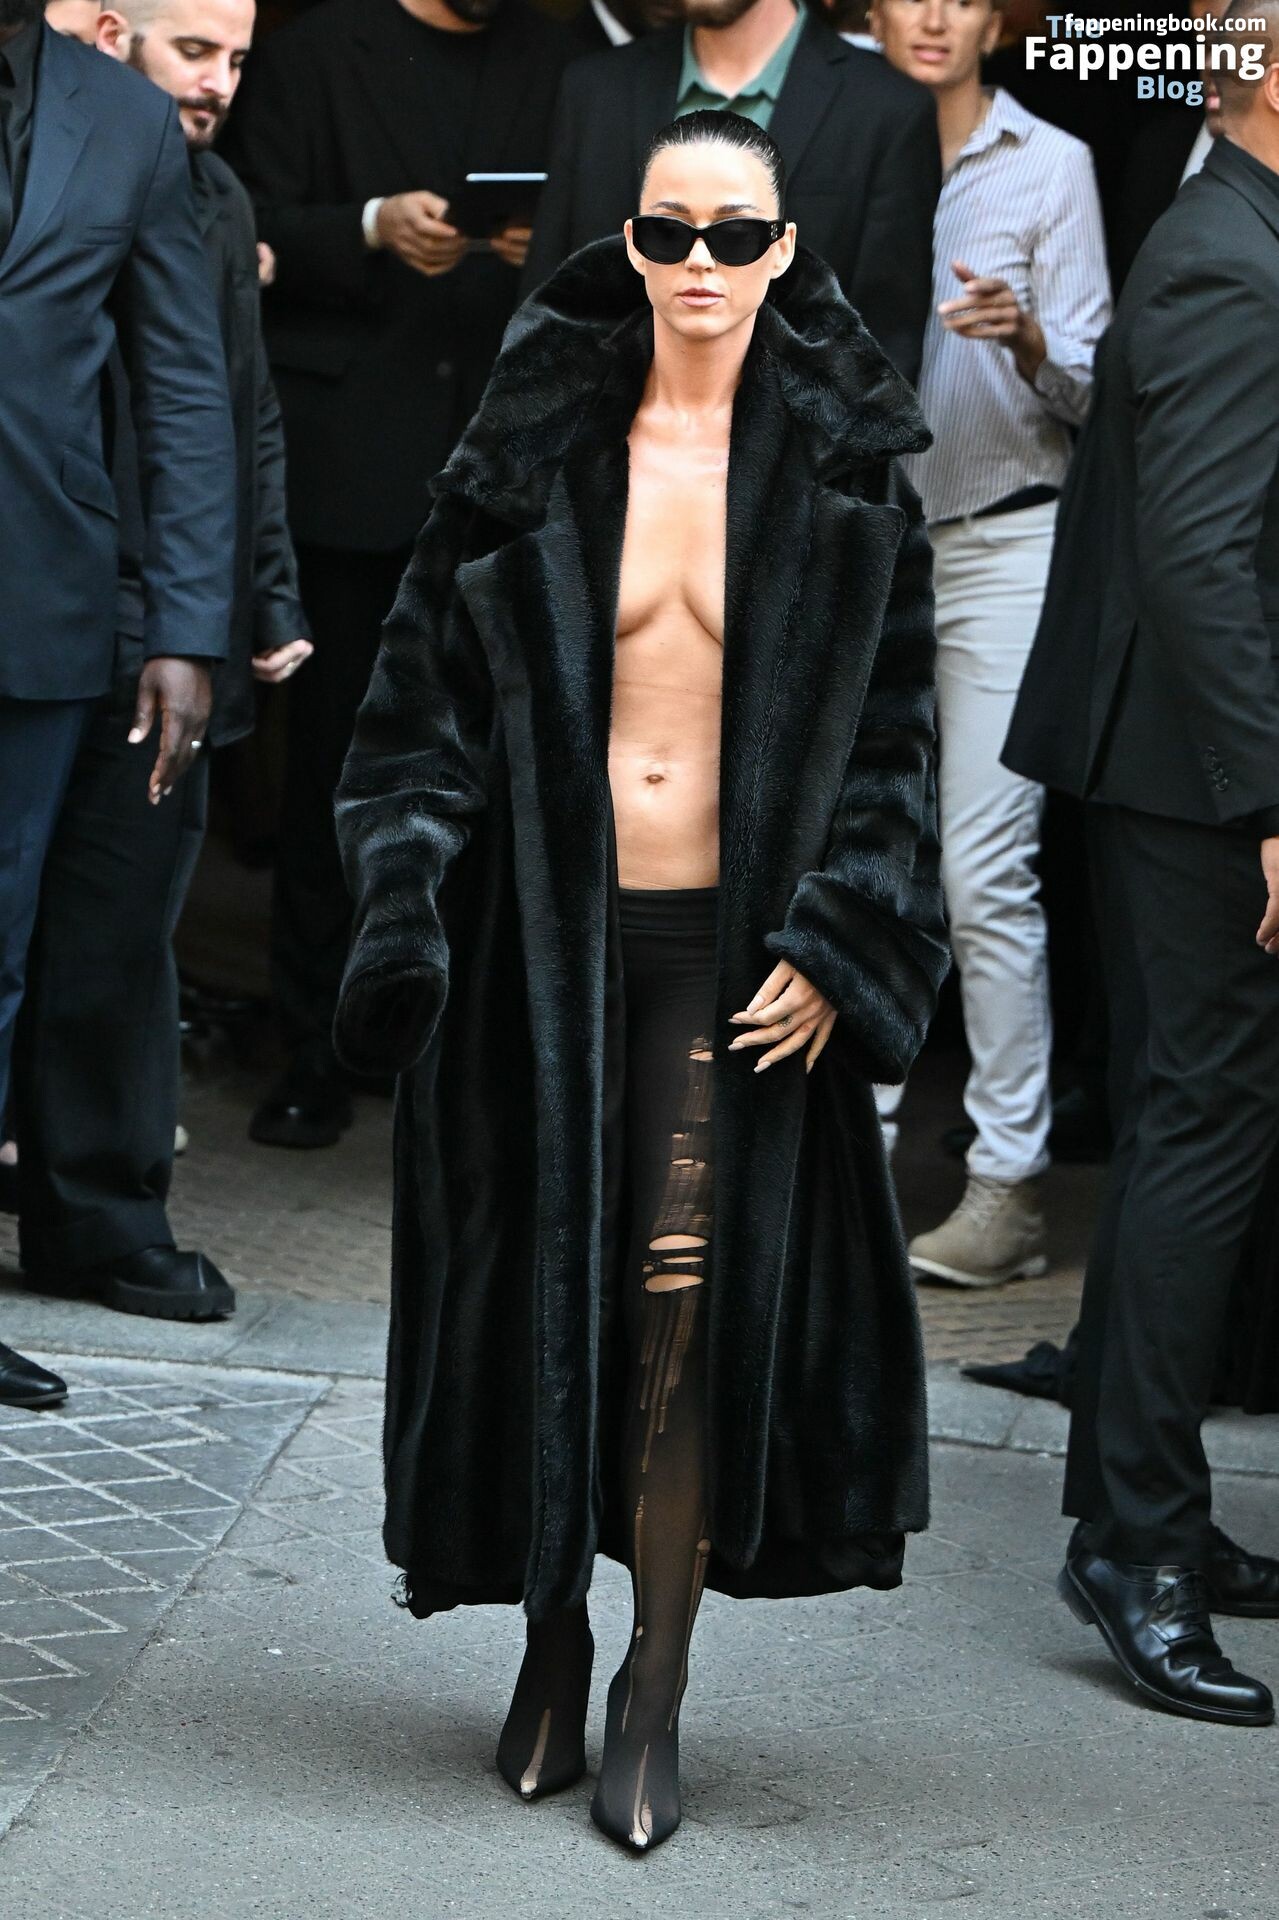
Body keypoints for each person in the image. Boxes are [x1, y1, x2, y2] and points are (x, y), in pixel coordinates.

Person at [334, 109, 948, 1850]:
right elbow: (414, 719)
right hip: (539, 949)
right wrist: (406, 911)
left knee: (677, 1310)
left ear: (782, 251)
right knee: (547, 1300)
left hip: (725, 966)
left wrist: (841, 935)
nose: (697, 265)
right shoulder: (530, 448)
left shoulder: (844, 475)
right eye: (667, 232)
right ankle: (550, 1639)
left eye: (732, 236)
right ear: (626, 243)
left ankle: (652, 1689)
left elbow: (893, 746)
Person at [1003, 0, 1279, 1726]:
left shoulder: (1235, 232)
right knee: (1204, 1128)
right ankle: (1135, 1544)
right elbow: (1193, 560)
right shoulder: (1224, 257)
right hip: (1196, 779)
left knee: (1202, 1122)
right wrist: (1269, 804)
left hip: (1195, 765)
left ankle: (1138, 1499)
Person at [220, 0, 577, 1150]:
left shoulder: (568, 59)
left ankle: (445, 1048)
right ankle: (316, 1045)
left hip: (506, 473)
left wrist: (549, 248)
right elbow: (239, 220)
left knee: (490, 779)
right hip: (353, 469)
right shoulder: (314, 53)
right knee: (337, 765)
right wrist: (368, 226)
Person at [3, 0, 310, 1323]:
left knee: (102, 930)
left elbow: (222, 401)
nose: (222, 81)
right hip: (61, 586)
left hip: (107, 603)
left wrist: (224, 610)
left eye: (241, 57)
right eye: (200, 49)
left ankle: (95, 1219)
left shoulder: (176, 168)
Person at [867, 0, 1108, 1287]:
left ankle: (1006, 1186)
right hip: (864, 547)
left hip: (1006, 540)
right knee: (852, 854)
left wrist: (1026, 335)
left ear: (996, 21)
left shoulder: (1050, 163)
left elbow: (1096, 386)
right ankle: (841, 1160)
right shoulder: (840, 132)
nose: (933, 13)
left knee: (981, 869)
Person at [522, 0, 941, 383]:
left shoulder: (887, 111)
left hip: (801, 432)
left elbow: (886, 342)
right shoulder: (596, 90)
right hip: (604, 428)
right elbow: (547, 307)